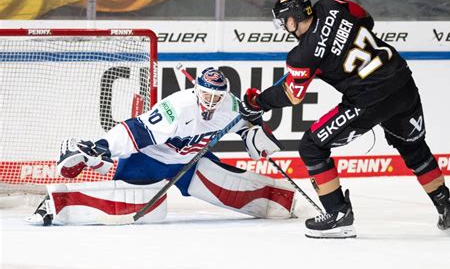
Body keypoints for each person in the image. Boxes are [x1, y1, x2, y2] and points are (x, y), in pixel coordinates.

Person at [238, 0, 450, 238]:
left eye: (284, 21)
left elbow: (292, 95)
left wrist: (258, 102)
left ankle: (338, 216)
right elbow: (366, 19)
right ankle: (446, 208)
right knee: (413, 146)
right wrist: (341, 44)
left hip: (369, 100)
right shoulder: (330, 5)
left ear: (292, 19)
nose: (284, 26)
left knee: (311, 146)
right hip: (402, 81)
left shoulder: (302, 55)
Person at [28, 67, 296, 226]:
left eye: (217, 96)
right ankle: (57, 201)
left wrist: (254, 132)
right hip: (150, 160)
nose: (212, 101)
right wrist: (102, 146)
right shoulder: (178, 107)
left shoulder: (231, 106)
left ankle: (287, 202)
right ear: (196, 89)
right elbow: (138, 130)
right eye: (207, 94)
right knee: (143, 210)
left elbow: (246, 125)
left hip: (191, 161)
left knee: (232, 187)